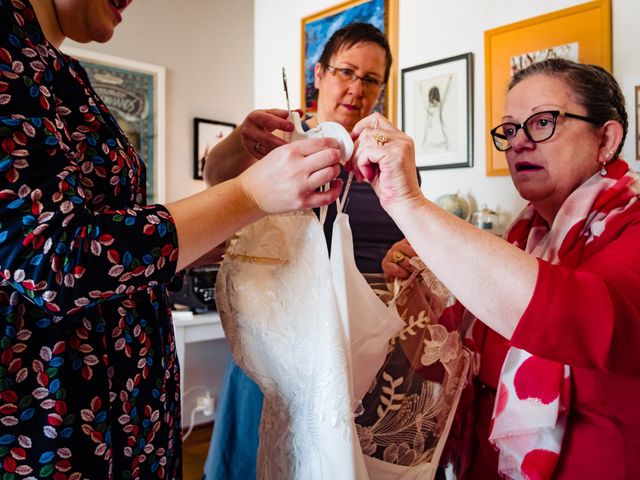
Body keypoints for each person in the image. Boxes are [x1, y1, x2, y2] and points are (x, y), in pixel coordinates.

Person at [0, 1, 343, 478]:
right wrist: (248, 194)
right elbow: (56, 258)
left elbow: (121, 239)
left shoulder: (52, 68)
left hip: (118, 409)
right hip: (60, 424)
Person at [350, 57, 640, 479]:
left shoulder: (631, 227)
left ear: (606, 138)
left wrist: (411, 206)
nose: (520, 142)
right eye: (510, 129)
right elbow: (444, 364)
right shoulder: (522, 239)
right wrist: (419, 291)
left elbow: (574, 314)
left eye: (542, 123)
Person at [202, 22, 406, 480]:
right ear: (320, 73)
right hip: (273, 343)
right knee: (254, 458)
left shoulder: (387, 157)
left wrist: (406, 253)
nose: (356, 88)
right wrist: (242, 139)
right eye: (346, 72)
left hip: (355, 349)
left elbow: (407, 237)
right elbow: (216, 175)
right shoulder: (279, 140)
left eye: (370, 79)